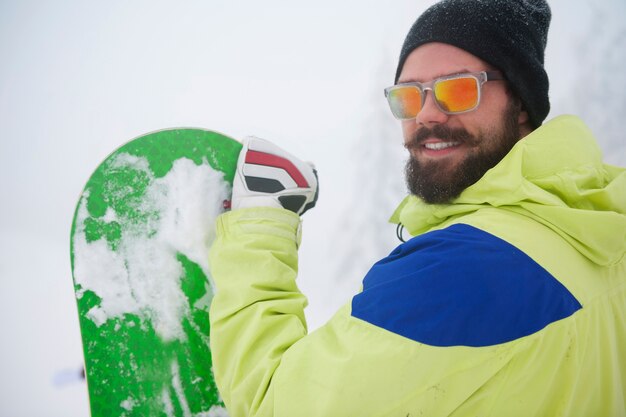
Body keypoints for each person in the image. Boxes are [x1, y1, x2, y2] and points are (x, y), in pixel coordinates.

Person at [208, 0, 626, 416]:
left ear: (520, 102)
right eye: (408, 97)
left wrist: (259, 227)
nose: (426, 114)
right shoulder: (599, 231)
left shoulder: (462, 269)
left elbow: (275, 404)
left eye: (458, 89)